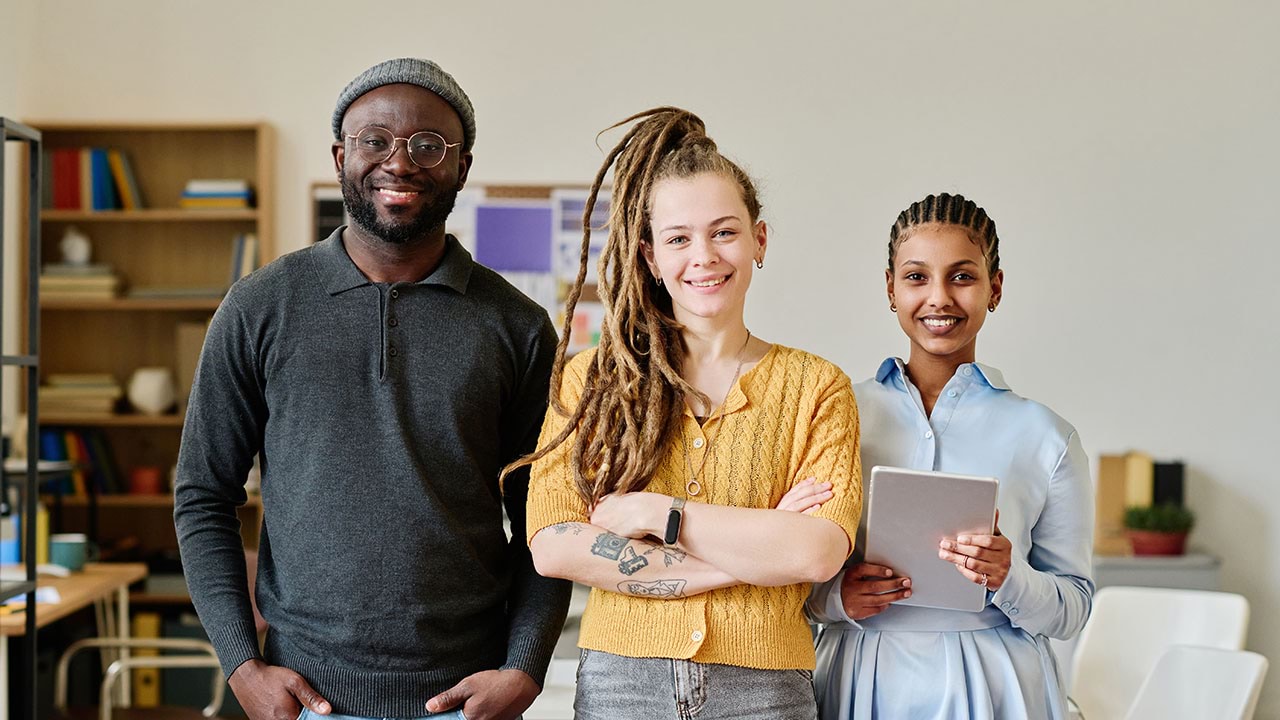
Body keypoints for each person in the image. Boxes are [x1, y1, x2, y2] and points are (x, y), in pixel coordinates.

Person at [173, 57, 571, 720]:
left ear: (462, 166)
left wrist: (524, 669)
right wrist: (242, 666)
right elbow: (202, 497)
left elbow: (549, 519)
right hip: (305, 700)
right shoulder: (260, 307)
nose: (400, 162)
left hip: (468, 701)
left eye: (427, 145)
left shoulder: (517, 326)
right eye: (375, 141)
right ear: (340, 157)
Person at [513, 107, 862, 720]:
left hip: (767, 688)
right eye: (678, 238)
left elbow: (816, 553)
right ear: (649, 257)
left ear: (759, 240)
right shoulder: (593, 380)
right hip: (624, 683)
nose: (703, 256)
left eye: (724, 232)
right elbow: (552, 544)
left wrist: (658, 513)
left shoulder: (817, 386)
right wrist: (757, 550)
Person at [808, 193, 1095, 719]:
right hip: (859, 680)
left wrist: (1011, 576)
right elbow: (788, 577)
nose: (939, 298)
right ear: (890, 289)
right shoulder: (834, 416)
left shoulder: (1047, 436)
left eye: (962, 277)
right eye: (916, 277)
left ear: (996, 288)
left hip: (997, 688)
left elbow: (1073, 609)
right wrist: (836, 599)